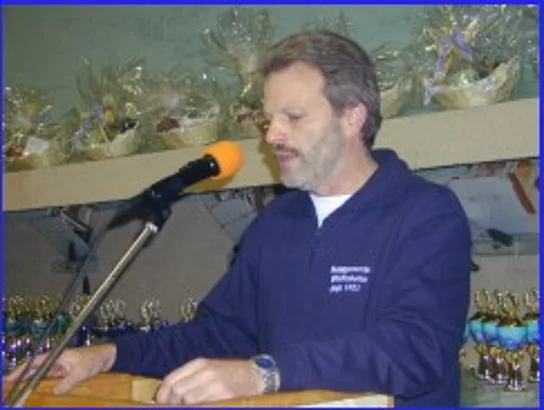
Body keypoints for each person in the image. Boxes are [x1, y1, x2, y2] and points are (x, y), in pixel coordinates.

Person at [7, 30, 472, 407]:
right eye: (268, 120)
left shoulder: (426, 214)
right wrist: (109, 355)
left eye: (293, 117)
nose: (272, 136)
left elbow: (415, 347)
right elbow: (220, 334)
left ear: (352, 117)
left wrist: (265, 373)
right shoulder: (275, 224)